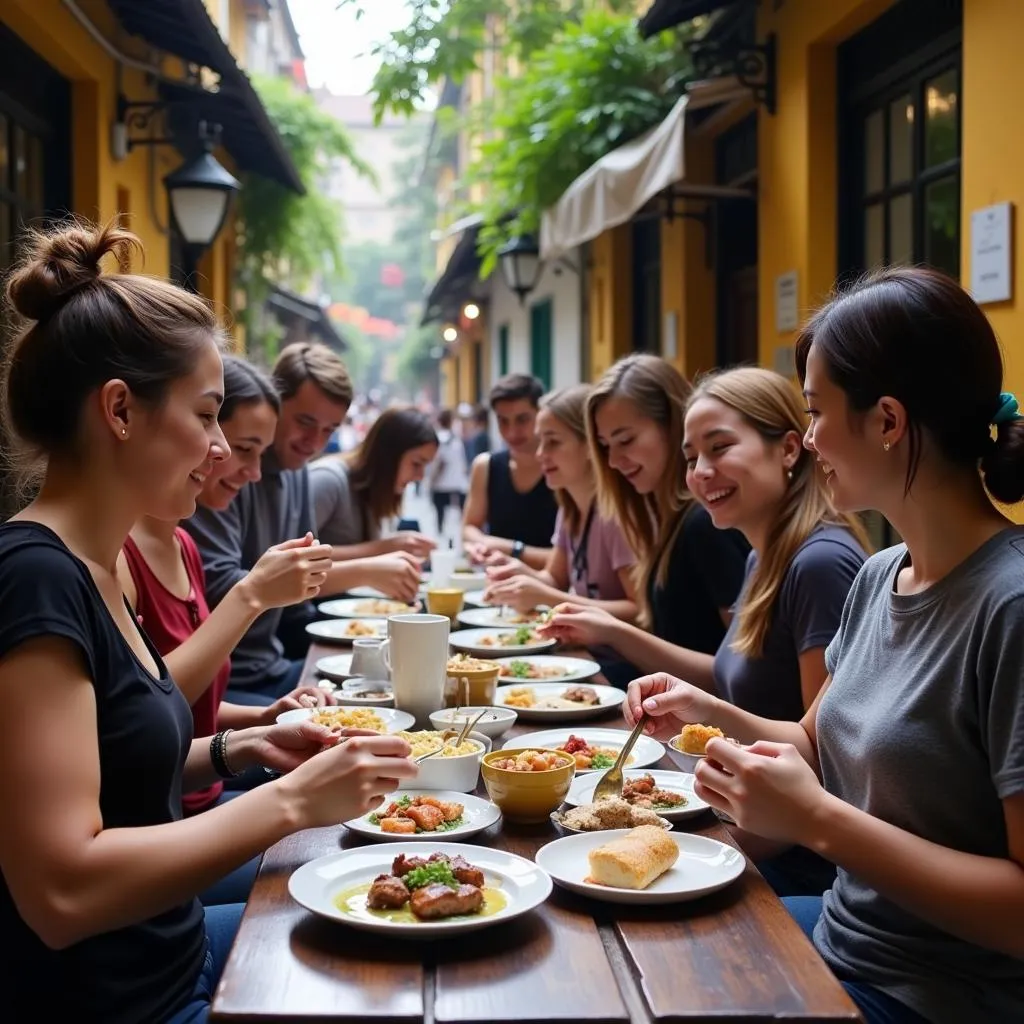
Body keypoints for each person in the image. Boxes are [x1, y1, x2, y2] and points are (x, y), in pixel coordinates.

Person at [0, 221, 418, 1023]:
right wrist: (291, 799)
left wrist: (245, 745)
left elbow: (119, 762)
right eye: (206, 415)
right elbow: (62, 887)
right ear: (120, 411)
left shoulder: (103, 560)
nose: (222, 449)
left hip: (179, 948)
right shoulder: (35, 581)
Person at [625, 267, 1024, 1024]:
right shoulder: (880, 577)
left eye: (814, 411)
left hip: (932, 998)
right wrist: (705, 712)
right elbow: (810, 745)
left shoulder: (1010, 604)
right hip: (841, 941)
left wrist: (816, 822)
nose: (807, 439)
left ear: (888, 421)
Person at [549, 367, 868, 891]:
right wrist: (688, 699)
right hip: (740, 819)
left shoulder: (820, 564)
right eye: (692, 457)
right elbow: (730, 677)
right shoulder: (762, 558)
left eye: (719, 449)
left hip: (794, 860)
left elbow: (825, 759)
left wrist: (715, 844)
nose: (699, 472)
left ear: (791, 449)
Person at [116, 357, 337, 908]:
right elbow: (141, 724)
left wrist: (260, 724)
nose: (242, 466)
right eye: (209, 420)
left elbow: (155, 724)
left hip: (194, 804)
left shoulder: (183, 544)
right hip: (168, 841)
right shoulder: (90, 565)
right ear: (119, 413)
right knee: (327, 867)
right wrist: (251, 596)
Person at [185, 342, 422, 705]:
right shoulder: (219, 478)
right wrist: (366, 568)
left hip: (272, 663)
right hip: (236, 679)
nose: (315, 442)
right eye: (305, 423)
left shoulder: (297, 473)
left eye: (329, 430)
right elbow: (221, 587)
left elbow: (299, 582)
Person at [543, 354, 749, 657]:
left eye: (625, 440)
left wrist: (613, 633)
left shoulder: (705, 523)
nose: (612, 461)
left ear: (673, 426)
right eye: (604, 446)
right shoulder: (661, 516)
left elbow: (740, 674)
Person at [482, 385, 639, 681]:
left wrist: (546, 595)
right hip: (582, 656)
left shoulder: (614, 514)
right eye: (540, 442)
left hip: (619, 668)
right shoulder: (569, 505)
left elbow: (637, 610)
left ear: (591, 446)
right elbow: (555, 578)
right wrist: (519, 574)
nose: (541, 454)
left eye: (553, 442)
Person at [309, 406, 438, 559]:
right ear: (388, 455)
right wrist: (385, 548)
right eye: (416, 463)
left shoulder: (374, 491)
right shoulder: (328, 480)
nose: (420, 476)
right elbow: (296, 556)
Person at [463, 374, 558, 570]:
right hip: (497, 586)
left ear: (541, 414)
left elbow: (571, 559)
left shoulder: (561, 468)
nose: (512, 432)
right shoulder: (486, 466)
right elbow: (469, 527)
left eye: (522, 420)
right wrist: (481, 545)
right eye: (502, 421)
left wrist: (511, 550)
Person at [429, 408, 469, 536]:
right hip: (457, 484)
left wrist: (432, 480)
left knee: (440, 514)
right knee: (458, 514)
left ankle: (442, 536)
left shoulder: (437, 438)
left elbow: (440, 462)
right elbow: (463, 463)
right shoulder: (457, 440)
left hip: (441, 484)